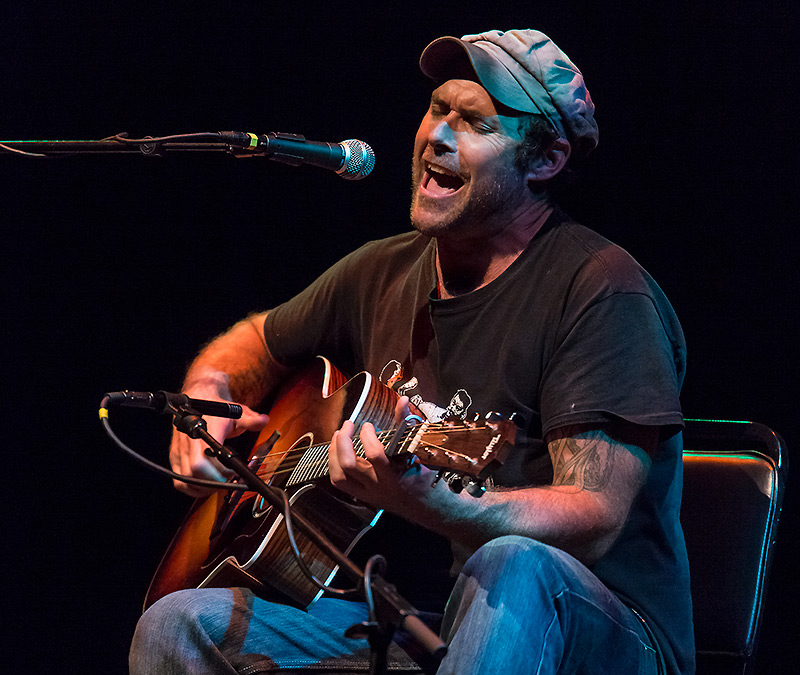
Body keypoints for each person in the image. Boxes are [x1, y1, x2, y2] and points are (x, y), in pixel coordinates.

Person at [130, 29, 694, 675]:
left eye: (475, 122)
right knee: (177, 625)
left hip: (601, 634)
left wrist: (444, 506)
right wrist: (211, 387)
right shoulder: (382, 270)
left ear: (545, 160)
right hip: (424, 627)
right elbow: (258, 337)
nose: (438, 136)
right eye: (437, 109)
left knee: (513, 563)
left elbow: (595, 516)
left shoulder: (601, 291)